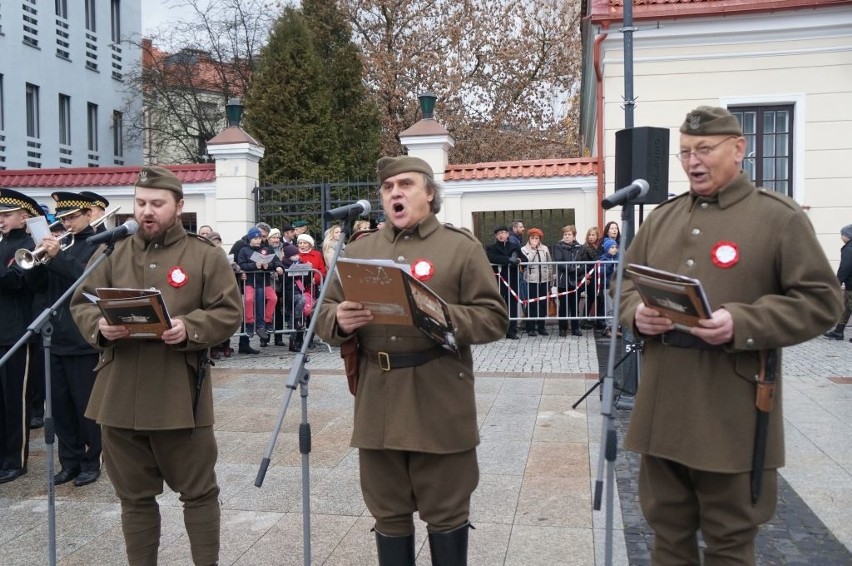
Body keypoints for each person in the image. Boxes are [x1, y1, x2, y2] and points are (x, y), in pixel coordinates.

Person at [619, 106, 842, 565]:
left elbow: (824, 302)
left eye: (704, 149)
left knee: (729, 542)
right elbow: (625, 282)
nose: (692, 162)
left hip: (733, 410)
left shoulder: (777, 218)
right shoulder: (662, 218)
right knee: (667, 536)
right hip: (663, 404)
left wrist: (744, 322)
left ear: (738, 149)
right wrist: (636, 312)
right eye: (684, 153)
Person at [315, 156, 508, 566]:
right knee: (388, 512)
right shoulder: (361, 250)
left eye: (405, 184)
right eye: (387, 188)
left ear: (430, 193)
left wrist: (438, 315)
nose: (395, 193)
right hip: (379, 401)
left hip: (438, 397)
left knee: (447, 512)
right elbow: (324, 313)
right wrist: (340, 320)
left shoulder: (459, 248)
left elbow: (494, 318)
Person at [70, 166, 243, 565]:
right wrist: (98, 326)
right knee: (133, 498)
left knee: (199, 493)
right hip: (119, 395)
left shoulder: (204, 255)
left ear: (179, 206)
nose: (147, 212)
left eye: (157, 204)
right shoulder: (112, 251)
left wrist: (190, 327)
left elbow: (229, 313)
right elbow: (80, 302)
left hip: (179, 394)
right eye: (141, 202)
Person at [26, 191, 103, 486]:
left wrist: (59, 257)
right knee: (58, 408)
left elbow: (87, 281)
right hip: (54, 336)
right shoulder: (58, 244)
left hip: (81, 337)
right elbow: (36, 287)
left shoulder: (99, 244)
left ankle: (90, 461)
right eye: (64, 218)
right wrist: (39, 260)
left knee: (85, 406)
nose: (68, 223)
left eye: (73, 217)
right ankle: (68, 461)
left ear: (88, 214)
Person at [0, 189, 44, 484]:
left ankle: (16, 459)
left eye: (6, 215)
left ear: (23, 217)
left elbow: (19, 282)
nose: (0, 220)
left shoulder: (29, 246)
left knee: (15, 401)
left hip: (17, 334)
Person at [237, 227, 283, 347]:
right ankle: (250, 323)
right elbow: (241, 264)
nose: (258, 240)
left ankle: (267, 321)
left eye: (259, 238)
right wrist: (254, 265)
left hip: (265, 281)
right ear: (250, 239)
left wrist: (274, 266)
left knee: (273, 298)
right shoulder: (244, 250)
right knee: (248, 300)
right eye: (255, 238)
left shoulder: (266, 249)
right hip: (250, 282)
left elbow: (276, 260)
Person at [552, 225, 591, 337]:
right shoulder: (558, 246)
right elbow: (560, 262)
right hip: (563, 281)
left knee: (575, 306)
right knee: (563, 307)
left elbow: (585, 264)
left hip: (576, 281)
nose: (567, 236)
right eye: (565, 234)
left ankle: (575, 328)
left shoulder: (580, 248)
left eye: (569, 234)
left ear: (574, 236)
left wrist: (578, 270)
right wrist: (573, 268)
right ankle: (562, 328)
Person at [486, 226, 524, 339]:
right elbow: (491, 258)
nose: (501, 235)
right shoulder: (491, 247)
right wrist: (508, 260)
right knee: (497, 305)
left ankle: (511, 331)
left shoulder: (514, 246)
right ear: (496, 236)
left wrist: (518, 260)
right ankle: (496, 330)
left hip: (512, 280)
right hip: (498, 280)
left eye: (503, 233)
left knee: (512, 305)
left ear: (508, 234)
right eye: (499, 234)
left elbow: (524, 259)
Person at [521, 227, 554, 336]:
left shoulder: (545, 248)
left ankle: (541, 327)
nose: (535, 240)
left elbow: (549, 264)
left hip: (543, 280)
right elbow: (527, 262)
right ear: (529, 238)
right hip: (531, 281)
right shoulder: (524, 249)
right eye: (532, 238)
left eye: (537, 238)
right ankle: (530, 328)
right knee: (532, 305)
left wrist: (550, 279)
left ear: (540, 239)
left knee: (542, 304)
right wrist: (533, 249)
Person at [823, 224, 852, 341]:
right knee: (846, 308)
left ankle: (838, 331)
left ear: (848, 235)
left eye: (843, 235)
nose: (841, 237)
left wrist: (837, 282)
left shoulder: (849, 249)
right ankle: (839, 331)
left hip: (851, 284)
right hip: (850, 284)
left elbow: (845, 268)